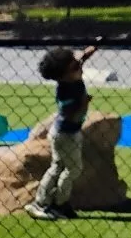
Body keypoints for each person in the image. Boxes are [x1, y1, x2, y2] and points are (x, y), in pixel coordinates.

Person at [29, 44, 98, 219]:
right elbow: (70, 115)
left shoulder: (71, 75)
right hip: (66, 134)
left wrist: (92, 49)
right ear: (63, 76)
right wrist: (84, 103)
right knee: (73, 169)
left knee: (58, 166)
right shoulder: (65, 91)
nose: (80, 67)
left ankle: (44, 202)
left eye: (78, 63)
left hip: (64, 133)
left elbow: (81, 58)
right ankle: (58, 202)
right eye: (75, 67)